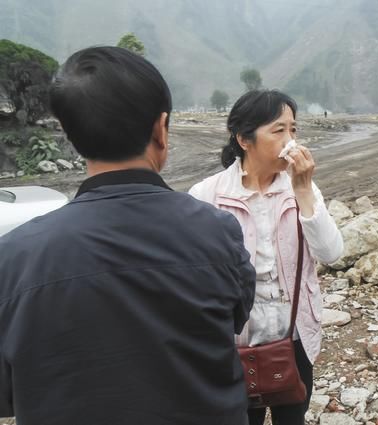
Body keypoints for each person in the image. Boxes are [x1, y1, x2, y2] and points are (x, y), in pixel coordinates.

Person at [0, 46, 255, 425]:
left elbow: (7, 396)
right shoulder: (217, 232)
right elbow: (234, 320)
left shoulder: (14, 257)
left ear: (71, 136)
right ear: (160, 129)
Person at [189, 89, 343, 425]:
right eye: (279, 130)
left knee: (293, 417)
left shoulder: (300, 188)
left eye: (293, 130)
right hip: (236, 339)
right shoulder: (207, 195)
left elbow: (331, 253)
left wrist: (303, 190)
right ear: (244, 139)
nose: (290, 141)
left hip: (294, 333)